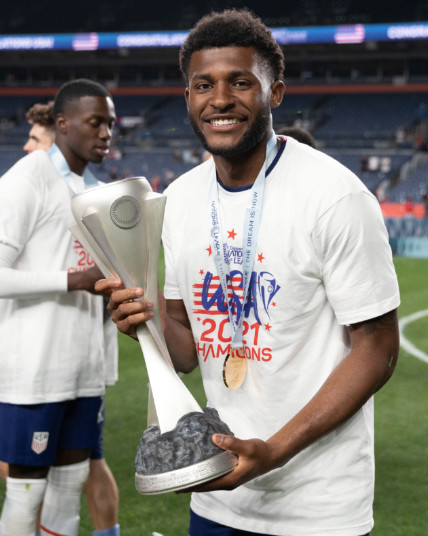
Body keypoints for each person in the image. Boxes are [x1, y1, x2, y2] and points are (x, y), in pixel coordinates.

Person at [98, 10, 400, 535]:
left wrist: (274, 450)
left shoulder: (335, 197)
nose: (220, 99)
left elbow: (377, 349)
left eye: (241, 82)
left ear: (274, 93)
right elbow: (188, 350)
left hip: (318, 505)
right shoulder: (179, 200)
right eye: (203, 85)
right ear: (187, 97)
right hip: (216, 491)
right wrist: (140, 319)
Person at [0, 79, 119, 536]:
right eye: (95, 122)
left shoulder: (93, 188)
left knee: (69, 487)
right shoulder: (27, 177)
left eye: (111, 124)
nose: (105, 133)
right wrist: (76, 280)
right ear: (61, 123)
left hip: (83, 369)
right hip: (35, 373)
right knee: (26, 496)